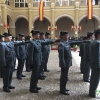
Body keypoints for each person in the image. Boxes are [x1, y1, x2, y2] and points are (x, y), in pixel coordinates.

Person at [89, 29, 100, 98]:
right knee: (96, 79)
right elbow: (97, 55)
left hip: (93, 62)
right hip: (97, 64)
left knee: (93, 78)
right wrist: (98, 65)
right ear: (99, 35)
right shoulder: (98, 43)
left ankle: (92, 91)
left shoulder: (92, 41)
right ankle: (93, 93)